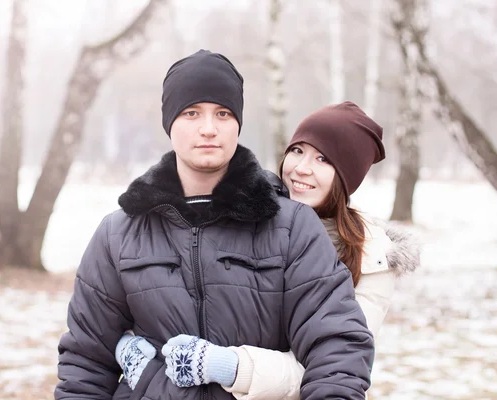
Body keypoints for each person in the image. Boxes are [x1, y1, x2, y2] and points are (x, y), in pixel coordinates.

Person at [54, 50, 374, 400]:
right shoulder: (118, 235)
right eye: (192, 113)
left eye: (222, 114)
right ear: (169, 123)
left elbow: (337, 347)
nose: (208, 129)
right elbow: (85, 364)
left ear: (237, 123)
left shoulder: (292, 227)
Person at [115, 101, 421, 399]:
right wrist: (133, 347)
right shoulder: (246, 212)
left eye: (323, 160)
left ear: (346, 177)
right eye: (298, 151)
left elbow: (333, 365)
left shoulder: (372, 258)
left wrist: (229, 365)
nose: (302, 169)